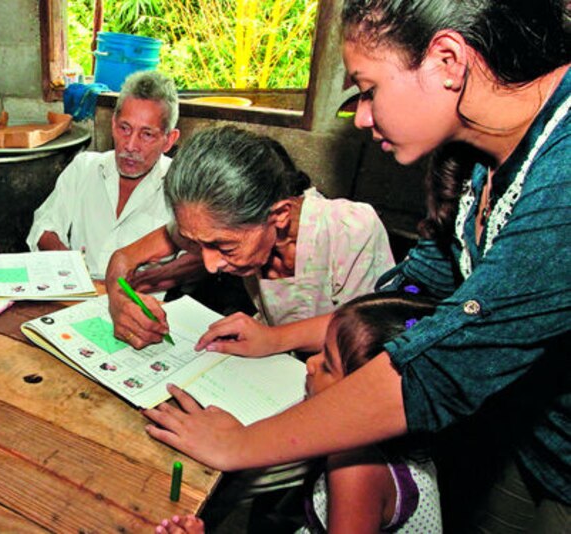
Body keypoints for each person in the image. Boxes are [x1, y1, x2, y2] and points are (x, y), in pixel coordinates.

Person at [143, 1, 570, 531]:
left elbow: (438, 365)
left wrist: (241, 444)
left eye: (368, 90)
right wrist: (278, 339)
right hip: (521, 436)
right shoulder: (478, 163)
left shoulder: (561, 174)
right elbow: (412, 298)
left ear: (447, 61)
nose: (362, 117)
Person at [156, 292, 443, 534]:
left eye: (328, 365)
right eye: (321, 349)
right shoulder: (386, 436)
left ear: (364, 399)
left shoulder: (357, 470)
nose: (311, 364)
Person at [108, 125, 394, 348]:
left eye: (225, 247)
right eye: (197, 244)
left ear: (279, 215)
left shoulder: (350, 230)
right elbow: (123, 258)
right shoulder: (209, 226)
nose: (210, 265)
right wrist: (119, 302)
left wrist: (275, 339)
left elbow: (374, 329)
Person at [25, 70, 181, 279]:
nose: (130, 145)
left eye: (146, 134)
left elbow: (195, 259)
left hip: (140, 296)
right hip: (80, 289)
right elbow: (44, 226)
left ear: (169, 140)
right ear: (113, 124)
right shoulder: (84, 169)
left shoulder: (182, 188)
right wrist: (70, 265)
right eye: (124, 128)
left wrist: (147, 282)